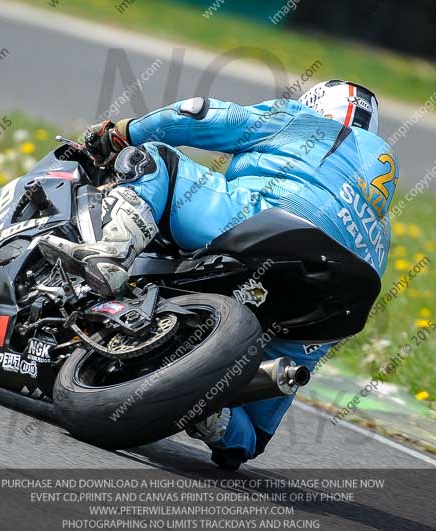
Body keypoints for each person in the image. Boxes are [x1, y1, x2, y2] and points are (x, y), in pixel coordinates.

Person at [39, 80, 399, 469]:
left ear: (315, 104)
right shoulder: (383, 229)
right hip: (337, 295)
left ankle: (110, 254)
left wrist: (123, 132)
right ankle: (219, 421)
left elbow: (199, 113)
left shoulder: (302, 120)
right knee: (255, 430)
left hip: (261, 222)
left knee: (158, 158)